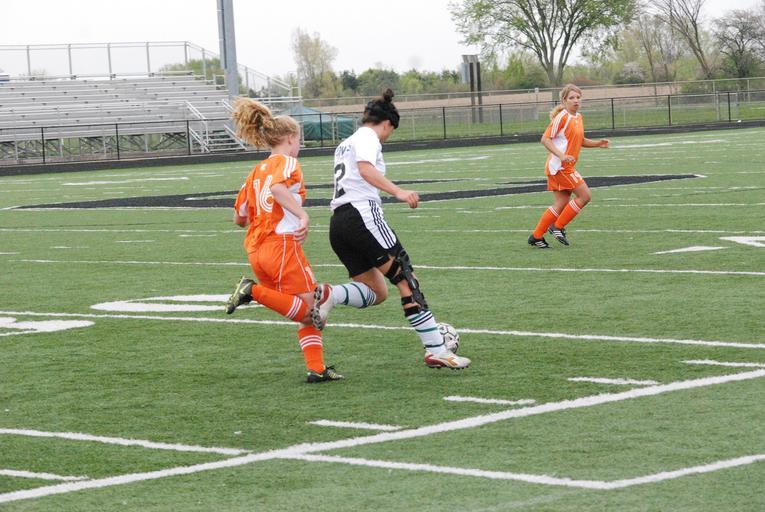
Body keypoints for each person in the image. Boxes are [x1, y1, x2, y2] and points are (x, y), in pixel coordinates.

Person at [311, 89, 471, 370]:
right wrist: (398, 191)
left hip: (339, 222)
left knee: (376, 291)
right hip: (362, 215)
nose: (387, 138)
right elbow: (365, 168)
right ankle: (437, 349)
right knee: (407, 280)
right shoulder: (367, 137)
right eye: (390, 132)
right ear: (386, 124)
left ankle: (330, 295)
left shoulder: (346, 142)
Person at [224, 98, 342, 384]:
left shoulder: (254, 172)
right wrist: (302, 215)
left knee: (309, 313)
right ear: (290, 138)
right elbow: (277, 188)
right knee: (312, 311)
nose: (299, 145)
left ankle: (316, 369)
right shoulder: (287, 161)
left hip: (257, 249)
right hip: (281, 245)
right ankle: (251, 290)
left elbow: (239, 218)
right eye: (299, 139)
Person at [528, 83, 609, 248]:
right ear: (564, 100)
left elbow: (580, 140)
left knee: (561, 203)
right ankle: (557, 227)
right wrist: (562, 156)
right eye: (572, 98)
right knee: (585, 196)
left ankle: (536, 236)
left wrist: (597, 143)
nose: (576, 100)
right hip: (560, 167)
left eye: (578, 97)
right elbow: (545, 139)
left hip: (565, 167)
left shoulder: (578, 117)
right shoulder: (562, 117)